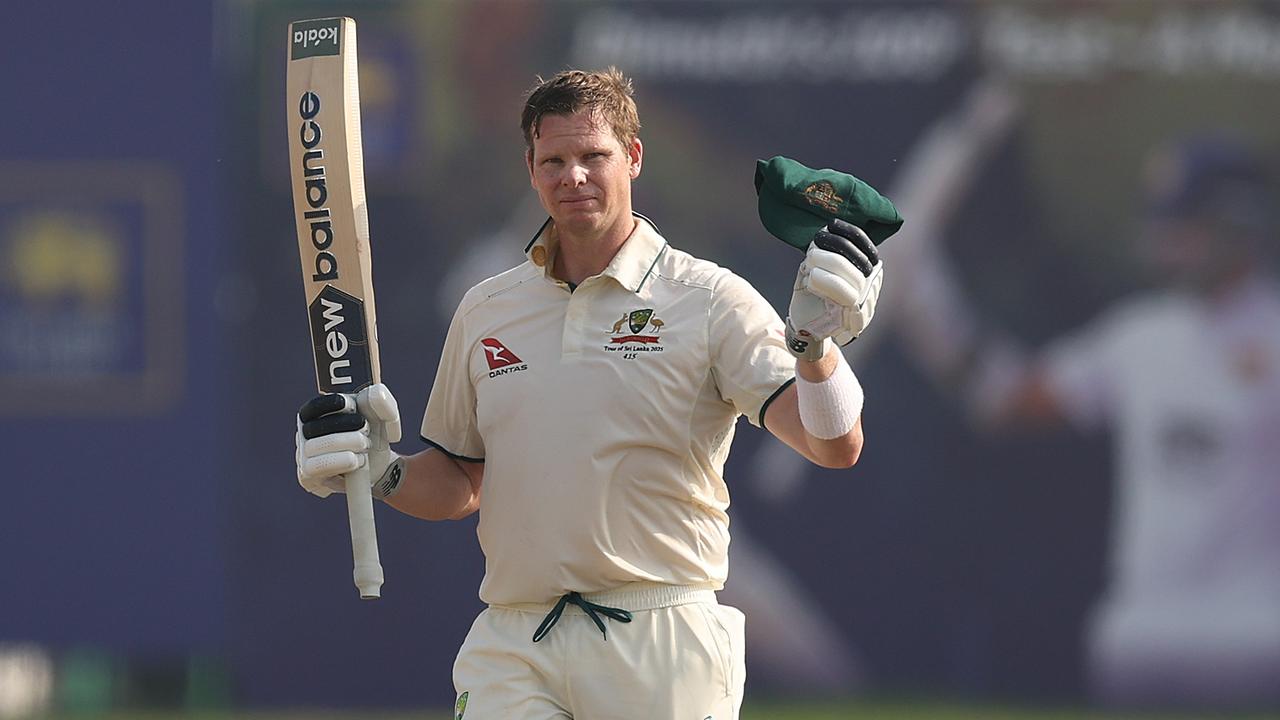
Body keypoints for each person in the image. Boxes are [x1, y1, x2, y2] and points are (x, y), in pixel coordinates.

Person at [292, 68, 886, 719]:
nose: (573, 176)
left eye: (592, 157)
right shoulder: (487, 308)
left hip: (661, 640)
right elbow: (464, 481)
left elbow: (833, 445)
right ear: (531, 168)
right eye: (555, 160)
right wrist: (384, 471)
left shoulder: (710, 298)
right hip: (517, 638)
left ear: (632, 157)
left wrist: (816, 351)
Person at [899, 135, 1280, 707]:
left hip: (1255, 632)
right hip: (1140, 633)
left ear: (1237, 221)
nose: (1170, 239)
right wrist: (925, 307)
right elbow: (1003, 401)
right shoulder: (1141, 335)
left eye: (1188, 222)